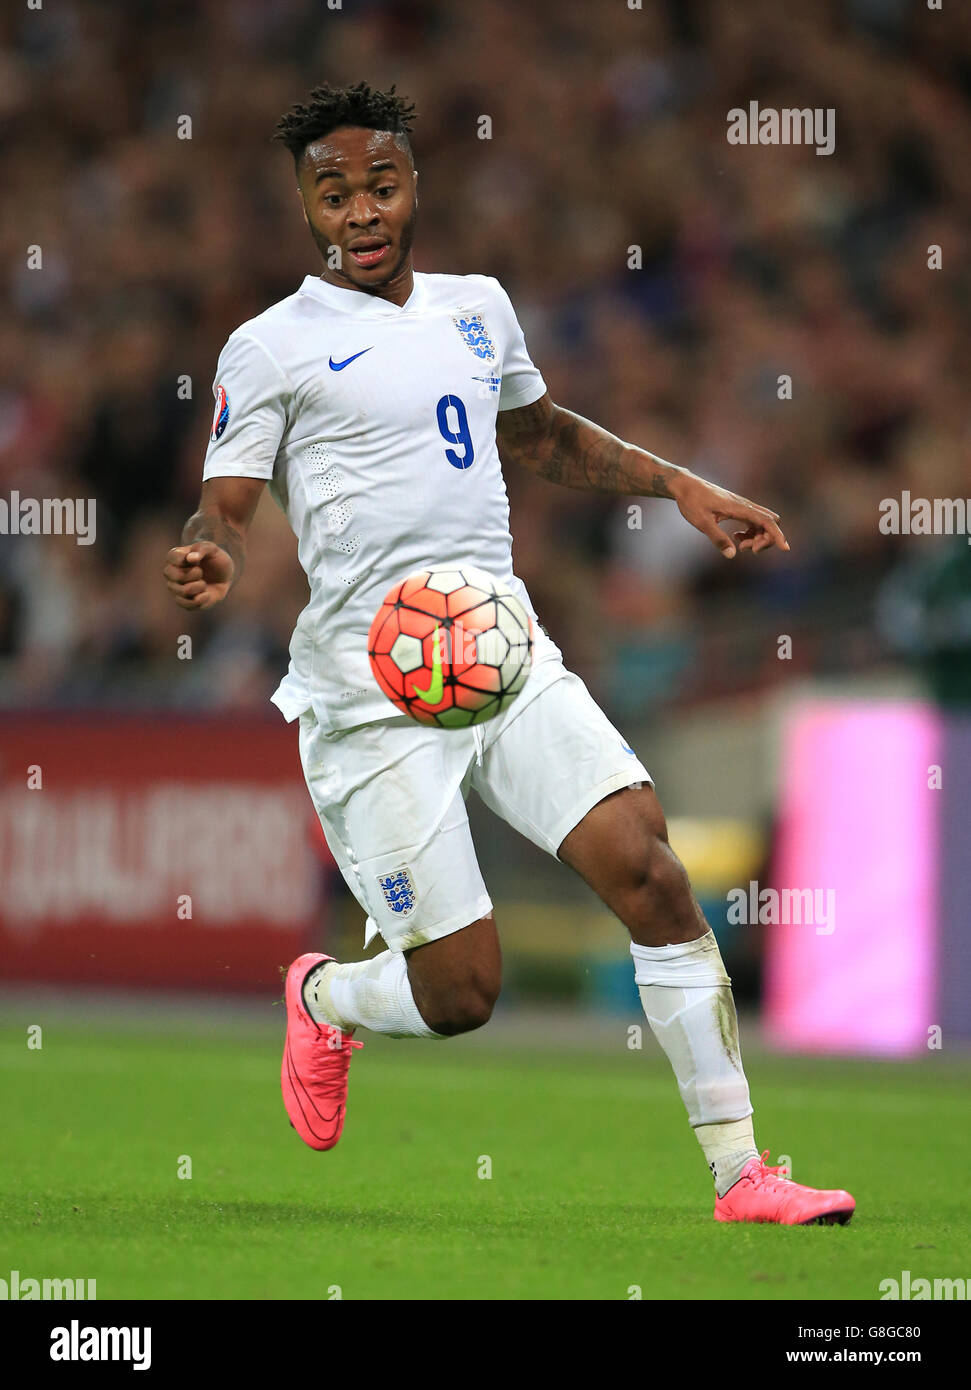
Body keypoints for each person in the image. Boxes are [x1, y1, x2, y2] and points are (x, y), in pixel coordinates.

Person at [164, 82, 854, 1225]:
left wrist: (677, 482)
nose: (362, 212)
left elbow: (537, 435)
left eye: (380, 185)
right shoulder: (271, 344)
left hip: (499, 650)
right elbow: (226, 501)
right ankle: (329, 996)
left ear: (415, 186)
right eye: (334, 195)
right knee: (462, 990)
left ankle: (742, 1173)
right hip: (367, 696)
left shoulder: (478, 308)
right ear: (307, 210)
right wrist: (209, 554)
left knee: (650, 868)